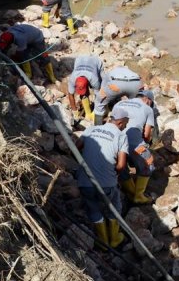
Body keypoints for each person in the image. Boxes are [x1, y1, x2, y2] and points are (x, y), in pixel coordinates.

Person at [75, 106, 129, 249]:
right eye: (126, 123)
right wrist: (112, 174)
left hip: (84, 182)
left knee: (93, 209)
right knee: (115, 206)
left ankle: (104, 243)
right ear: (120, 122)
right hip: (106, 184)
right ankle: (115, 239)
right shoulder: (121, 135)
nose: (126, 126)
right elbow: (122, 165)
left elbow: (76, 147)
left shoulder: (91, 129)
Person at [113, 91, 157, 204]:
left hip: (114, 141)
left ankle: (131, 191)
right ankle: (139, 195)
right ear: (148, 100)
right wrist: (146, 144)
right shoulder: (148, 109)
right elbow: (147, 134)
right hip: (134, 143)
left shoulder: (119, 104)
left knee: (120, 166)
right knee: (149, 164)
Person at [65, 55, 106, 122]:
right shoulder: (72, 79)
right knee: (84, 95)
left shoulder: (94, 80)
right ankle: (88, 113)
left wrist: (96, 111)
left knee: (104, 83)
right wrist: (74, 111)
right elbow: (70, 95)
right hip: (80, 59)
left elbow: (98, 95)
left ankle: (105, 108)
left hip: (95, 61)